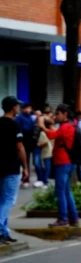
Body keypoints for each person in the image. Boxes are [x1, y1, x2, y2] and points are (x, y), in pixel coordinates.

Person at [38, 105, 79, 228]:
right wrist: (49, 124)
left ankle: (63, 218)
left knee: (60, 191)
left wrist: (42, 126)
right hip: (66, 162)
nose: (56, 116)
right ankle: (73, 218)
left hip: (63, 162)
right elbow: (55, 133)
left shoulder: (67, 126)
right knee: (66, 191)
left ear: (65, 114)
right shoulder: (69, 126)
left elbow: (51, 135)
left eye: (58, 114)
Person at [1, 97, 29, 244]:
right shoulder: (14, 125)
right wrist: (25, 167)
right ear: (13, 108)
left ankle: (4, 232)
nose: (19, 108)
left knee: (2, 200)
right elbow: (19, 147)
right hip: (11, 167)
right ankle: (0, 228)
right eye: (17, 106)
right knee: (8, 200)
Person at [14, 102, 36, 188]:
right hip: (20, 142)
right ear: (23, 109)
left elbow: (33, 129)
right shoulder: (19, 118)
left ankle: (26, 179)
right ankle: (20, 179)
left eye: (30, 108)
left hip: (28, 143)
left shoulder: (31, 118)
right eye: (27, 108)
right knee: (19, 161)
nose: (28, 110)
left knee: (26, 161)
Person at [36, 118, 54, 189]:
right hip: (46, 152)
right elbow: (39, 144)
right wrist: (46, 141)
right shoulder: (43, 133)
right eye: (51, 125)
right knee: (47, 168)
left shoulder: (52, 131)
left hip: (51, 152)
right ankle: (45, 181)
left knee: (48, 168)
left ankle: (46, 181)